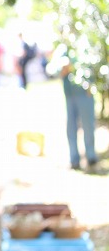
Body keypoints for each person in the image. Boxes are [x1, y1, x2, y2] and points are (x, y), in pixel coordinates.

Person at [45, 43, 98, 171]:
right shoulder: (63, 49)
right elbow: (51, 70)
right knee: (71, 128)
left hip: (85, 94)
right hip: (70, 95)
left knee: (88, 125)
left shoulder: (86, 44)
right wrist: (62, 68)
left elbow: (95, 65)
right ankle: (74, 159)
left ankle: (91, 156)